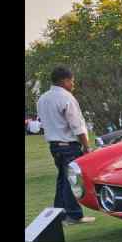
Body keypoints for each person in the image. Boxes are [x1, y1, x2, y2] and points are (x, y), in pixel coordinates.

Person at [36, 66, 95, 224]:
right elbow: (77, 125)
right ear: (64, 81)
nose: (73, 84)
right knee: (71, 179)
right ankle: (74, 215)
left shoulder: (43, 98)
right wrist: (86, 146)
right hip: (68, 145)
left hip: (54, 145)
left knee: (62, 179)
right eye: (72, 81)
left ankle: (59, 214)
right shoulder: (66, 97)